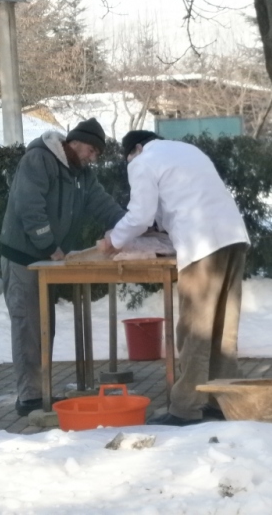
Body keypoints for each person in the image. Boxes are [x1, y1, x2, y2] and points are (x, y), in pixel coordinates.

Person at [101, 130, 250, 426]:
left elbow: (141, 214)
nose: (130, 163)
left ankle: (185, 409)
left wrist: (112, 241)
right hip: (233, 238)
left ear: (136, 149)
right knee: (223, 329)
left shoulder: (142, 160)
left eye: (128, 157)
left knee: (195, 329)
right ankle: (222, 401)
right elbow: (167, 207)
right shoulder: (185, 151)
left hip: (202, 245)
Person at [0, 118, 126, 416]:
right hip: (22, 257)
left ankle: (40, 392)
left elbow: (104, 205)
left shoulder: (83, 175)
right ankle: (29, 398)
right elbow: (29, 205)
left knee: (44, 327)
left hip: (47, 261)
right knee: (28, 326)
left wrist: (133, 229)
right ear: (74, 142)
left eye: (97, 153)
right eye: (91, 150)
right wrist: (48, 245)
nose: (92, 157)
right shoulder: (39, 159)